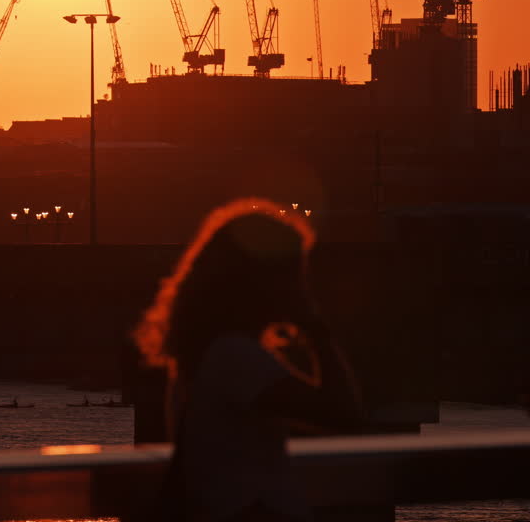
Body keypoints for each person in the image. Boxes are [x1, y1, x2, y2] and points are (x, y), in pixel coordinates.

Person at [135, 198, 363, 522]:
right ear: (261, 280)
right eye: (293, 274)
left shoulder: (203, 356)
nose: (302, 287)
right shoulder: (236, 358)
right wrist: (314, 328)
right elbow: (342, 413)